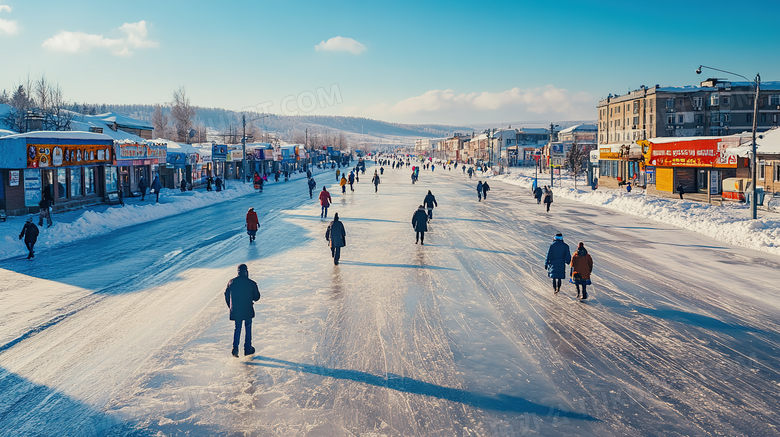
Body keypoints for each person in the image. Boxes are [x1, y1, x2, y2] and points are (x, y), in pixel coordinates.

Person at [224, 264, 261, 357]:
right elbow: (257, 297)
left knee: (237, 327)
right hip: (247, 309)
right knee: (247, 327)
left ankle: (235, 348)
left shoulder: (231, 282)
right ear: (246, 271)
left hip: (236, 310)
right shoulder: (251, 283)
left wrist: (231, 306)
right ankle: (247, 348)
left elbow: (226, 294)